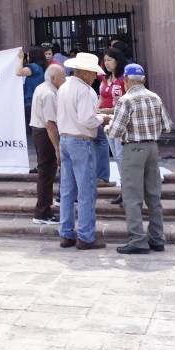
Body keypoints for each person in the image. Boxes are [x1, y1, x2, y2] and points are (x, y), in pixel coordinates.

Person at [106, 62, 171, 254]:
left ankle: (137, 239)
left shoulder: (125, 100)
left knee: (132, 196)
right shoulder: (155, 97)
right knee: (153, 195)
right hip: (152, 147)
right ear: (143, 79)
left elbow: (116, 132)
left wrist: (106, 126)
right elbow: (167, 125)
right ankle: (157, 238)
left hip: (133, 148)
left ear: (126, 80)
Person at [54, 52, 107, 250]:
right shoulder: (84, 91)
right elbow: (87, 119)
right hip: (81, 140)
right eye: (93, 73)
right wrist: (103, 119)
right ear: (84, 72)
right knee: (86, 190)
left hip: (66, 138)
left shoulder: (64, 86)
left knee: (67, 190)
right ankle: (85, 235)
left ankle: (66, 233)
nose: (95, 76)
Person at [29, 63, 65, 225]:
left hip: (39, 131)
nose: (64, 80)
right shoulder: (49, 94)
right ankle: (42, 212)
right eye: (62, 77)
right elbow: (51, 124)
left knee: (46, 173)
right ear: (53, 78)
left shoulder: (42, 87)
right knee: (47, 173)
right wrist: (57, 148)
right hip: (45, 134)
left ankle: (43, 209)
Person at [98, 47, 128, 199]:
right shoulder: (105, 79)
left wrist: (109, 110)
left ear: (118, 61)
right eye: (105, 60)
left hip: (121, 123)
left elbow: (126, 102)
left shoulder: (124, 79)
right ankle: (124, 189)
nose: (107, 63)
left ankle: (127, 190)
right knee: (116, 156)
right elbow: (101, 97)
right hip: (107, 123)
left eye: (110, 60)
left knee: (122, 156)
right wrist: (97, 109)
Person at [17, 46, 48, 127]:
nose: (27, 56)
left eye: (28, 54)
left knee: (33, 128)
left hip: (31, 102)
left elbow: (18, 72)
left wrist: (20, 58)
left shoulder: (34, 66)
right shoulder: (41, 67)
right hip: (37, 102)